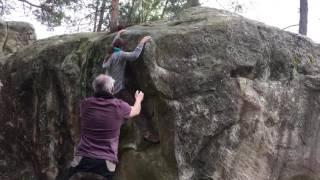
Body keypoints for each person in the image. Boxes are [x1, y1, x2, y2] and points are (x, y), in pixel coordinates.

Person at [65, 74, 144, 180]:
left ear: (95, 89)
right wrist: (138, 99)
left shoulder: (85, 105)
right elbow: (136, 110)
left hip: (83, 158)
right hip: (105, 162)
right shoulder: (119, 107)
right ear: (112, 89)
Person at [102, 29, 159, 143]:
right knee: (135, 109)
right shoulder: (119, 55)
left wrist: (118, 34)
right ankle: (148, 134)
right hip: (118, 91)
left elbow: (112, 45)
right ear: (122, 47)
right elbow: (134, 55)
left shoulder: (109, 55)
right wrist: (142, 42)